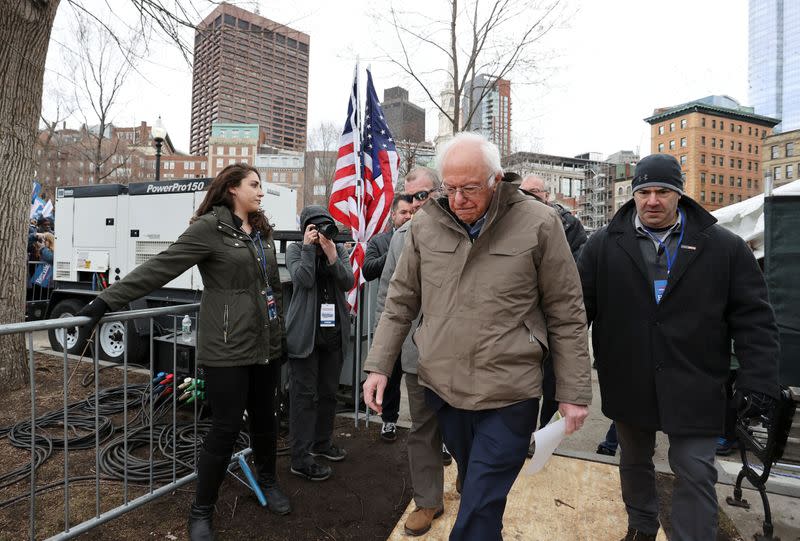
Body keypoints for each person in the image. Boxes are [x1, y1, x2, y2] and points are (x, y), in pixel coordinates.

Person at [363, 132, 592, 541]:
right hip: (444, 389)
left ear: (495, 180)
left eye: (469, 188)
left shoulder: (539, 223)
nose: (457, 199)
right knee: (477, 492)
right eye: (448, 188)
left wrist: (573, 390)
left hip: (510, 392)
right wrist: (379, 366)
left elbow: (566, 311)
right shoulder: (425, 226)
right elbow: (400, 301)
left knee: (480, 501)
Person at [76, 163, 291, 540]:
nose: (261, 191)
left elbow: (272, 288)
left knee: (264, 418)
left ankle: (269, 481)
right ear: (231, 190)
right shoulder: (210, 229)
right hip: (227, 347)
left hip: (265, 346)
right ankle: (201, 510)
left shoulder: (260, 232)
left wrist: (280, 337)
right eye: (254, 185)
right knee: (225, 428)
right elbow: (160, 267)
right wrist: (104, 301)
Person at [577, 153, 780, 541]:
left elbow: (754, 318)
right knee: (635, 461)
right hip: (629, 378)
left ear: (680, 194)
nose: (653, 200)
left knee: (695, 469)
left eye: (663, 192)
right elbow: (576, 312)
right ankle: (641, 525)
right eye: (644, 191)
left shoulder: (724, 248)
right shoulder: (603, 246)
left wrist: (758, 381)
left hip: (696, 380)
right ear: (634, 195)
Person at [368, 166, 450, 536]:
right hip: (420, 355)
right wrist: (381, 361)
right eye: (412, 196)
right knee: (423, 429)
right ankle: (428, 500)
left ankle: (473, 482)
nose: (418, 203)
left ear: (441, 190)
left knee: (469, 428)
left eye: (424, 194)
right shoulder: (402, 237)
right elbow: (389, 299)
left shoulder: (471, 228)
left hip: (469, 356)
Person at [285, 205, 354, 481]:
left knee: (328, 393)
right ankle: (300, 458)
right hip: (305, 335)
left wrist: (332, 254)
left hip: (332, 334)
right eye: (315, 228)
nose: (321, 232)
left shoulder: (337, 249)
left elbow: (348, 281)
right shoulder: (295, 250)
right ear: (305, 230)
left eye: (325, 227)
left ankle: (322, 443)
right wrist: (307, 249)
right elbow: (302, 280)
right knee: (303, 397)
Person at [519, 174, 587, 433]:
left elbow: (576, 271)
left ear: (547, 195)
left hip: (553, 318)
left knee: (552, 384)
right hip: (525, 320)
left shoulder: (571, 226)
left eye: (535, 192)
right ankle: (523, 433)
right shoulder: (514, 222)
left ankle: (544, 432)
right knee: (525, 384)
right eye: (525, 192)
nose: (531, 197)